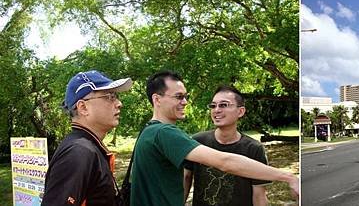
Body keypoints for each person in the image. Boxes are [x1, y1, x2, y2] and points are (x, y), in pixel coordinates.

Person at [129, 71, 298, 206]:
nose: (185, 102)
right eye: (179, 97)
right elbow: (224, 162)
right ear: (157, 99)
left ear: (241, 111)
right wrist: (288, 177)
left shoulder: (149, 130)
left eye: (185, 96)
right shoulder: (164, 133)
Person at [42, 70, 133, 206]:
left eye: (116, 96)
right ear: (83, 107)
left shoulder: (89, 147)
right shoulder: (79, 152)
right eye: (110, 97)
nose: (119, 103)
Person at [183, 86, 269, 206]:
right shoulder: (197, 141)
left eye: (223, 105)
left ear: (241, 111)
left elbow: (259, 195)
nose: (216, 110)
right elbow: (185, 179)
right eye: (213, 106)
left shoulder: (254, 149)